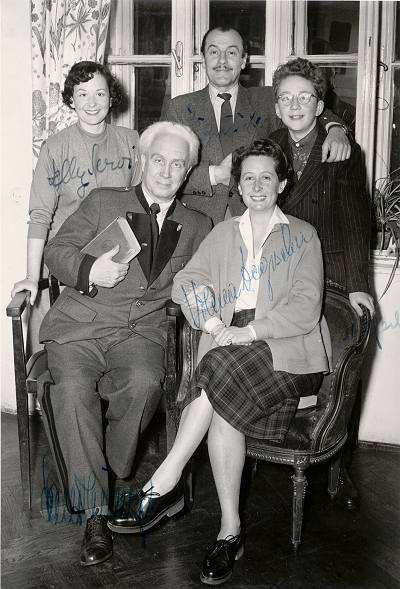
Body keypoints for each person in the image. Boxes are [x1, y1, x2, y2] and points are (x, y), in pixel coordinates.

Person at [107, 139, 332, 585]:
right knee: (223, 395)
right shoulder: (226, 230)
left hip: (288, 351)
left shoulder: (303, 235)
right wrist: (211, 321)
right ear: (239, 185)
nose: (256, 185)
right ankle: (230, 532)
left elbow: (306, 308)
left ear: (282, 184)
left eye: (266, 176)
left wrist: (248, 332)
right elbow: (188, 280)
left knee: (214, 373)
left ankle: (165, 481)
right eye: (247, 177)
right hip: (229, 350)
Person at [37, 121, 212, 567]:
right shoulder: (103, 201)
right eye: (158, 160)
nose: (166, 171)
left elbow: (203, 281)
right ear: (141, 160)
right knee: (73, 390)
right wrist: (89, 270)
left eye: (178, 164)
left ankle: (113, 471)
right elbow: (57, 251)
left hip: (140, 333)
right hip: (80, 325)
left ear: (189, 171)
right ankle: (94, 510)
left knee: (146, 384)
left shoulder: (197, 224)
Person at [269, 57, 375, 509]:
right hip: (281, 279)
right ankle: (275, 444)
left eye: (305, 97)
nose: (295, 105)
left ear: (320, 105)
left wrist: (357, 285)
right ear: (277, 107)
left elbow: (355, 222)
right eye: (287, 98)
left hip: (330, 275)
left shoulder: (343, 150)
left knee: (340, 374)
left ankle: (338, 466)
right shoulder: (269, 145)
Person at [11, 61, 142, 353]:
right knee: (59, 355)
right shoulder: (55, 147)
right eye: (82, 94)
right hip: (65, 266)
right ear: (71, 99)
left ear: (112, 97)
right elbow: (40, 217)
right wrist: (33, 277)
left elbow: (143, 207)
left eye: (99, 93)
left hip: (117, 263)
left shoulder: (131, 142)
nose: (92, 103)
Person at [161, 25, 351, 224]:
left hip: (259, 225)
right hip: (197, 227)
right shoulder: (180, 108)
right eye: (214, 52)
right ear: (203, 59)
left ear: (244, 60)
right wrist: (214, 175)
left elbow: (315, 111)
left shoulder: (267, 100)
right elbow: (164, 174)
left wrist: (336, 129)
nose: (222, 61)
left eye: (232, 52)